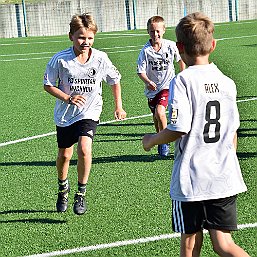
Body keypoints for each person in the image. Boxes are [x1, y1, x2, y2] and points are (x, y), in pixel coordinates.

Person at [142, 12, 249, 257]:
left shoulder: (183, 80)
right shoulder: (227, 82)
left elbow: (179, 127)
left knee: (190, 243)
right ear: (213, 45)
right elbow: (232, 131)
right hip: (224, 175)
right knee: (223, 244)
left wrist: (151, 140)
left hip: (192, 179)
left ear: (179, 48)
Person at [43, 13, 126, 215]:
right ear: (71, 36)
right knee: (64, 155)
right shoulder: (60, 60)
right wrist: (67, 98)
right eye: (81, 37)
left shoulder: (100, 58)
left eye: (90, 38)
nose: (86, 42)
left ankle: (81, 194)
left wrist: (119, 106)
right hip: (65, 114)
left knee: (85, 149)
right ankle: (63, 188)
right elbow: (48, 85)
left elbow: (114, 80)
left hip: (90, 111)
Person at [137, 15, 185, 156]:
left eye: (158, 31)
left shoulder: (170, 46)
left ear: (164, 30)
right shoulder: (145, 51)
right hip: (152, 90)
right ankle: (160, 138)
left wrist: (182, 74)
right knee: (156, 117)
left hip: (167, 86)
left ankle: (165, 143)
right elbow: (140, 71)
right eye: (152, 31)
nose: (155, 34)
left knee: (160, 112)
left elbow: (180, 59)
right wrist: (148, 82)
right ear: (148, 32)